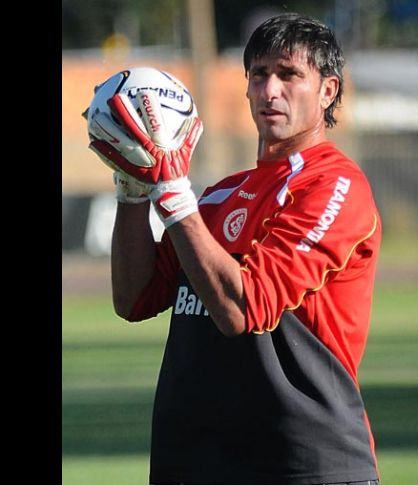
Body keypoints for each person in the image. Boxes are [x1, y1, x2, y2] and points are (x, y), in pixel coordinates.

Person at [86, 13, 381, 485]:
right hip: (192, 461)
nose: (270, 90)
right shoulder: (219, 196)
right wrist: (133, 190)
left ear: (328, 90)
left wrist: (172, 191)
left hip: (301, 463)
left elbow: (243, 308)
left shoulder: (334, 185)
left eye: (288, 74)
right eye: (259, 74)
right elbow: (134, 298)